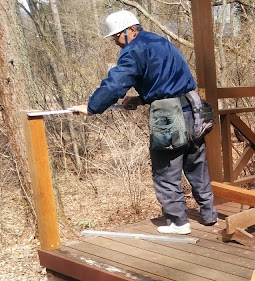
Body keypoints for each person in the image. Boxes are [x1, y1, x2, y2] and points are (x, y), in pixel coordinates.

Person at [70, 10, 217, 235]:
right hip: (194, 109)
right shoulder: (161, 42)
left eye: (116, 36)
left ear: (131, 30)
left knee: (166, 169)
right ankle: (208, 213)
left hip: (169, 115)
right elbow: (167, 81)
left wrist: (92, 107)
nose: (116, 42)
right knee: (196, 163)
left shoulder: (134, 49)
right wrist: (141, 99)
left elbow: (116, 83)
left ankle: (178, 222)